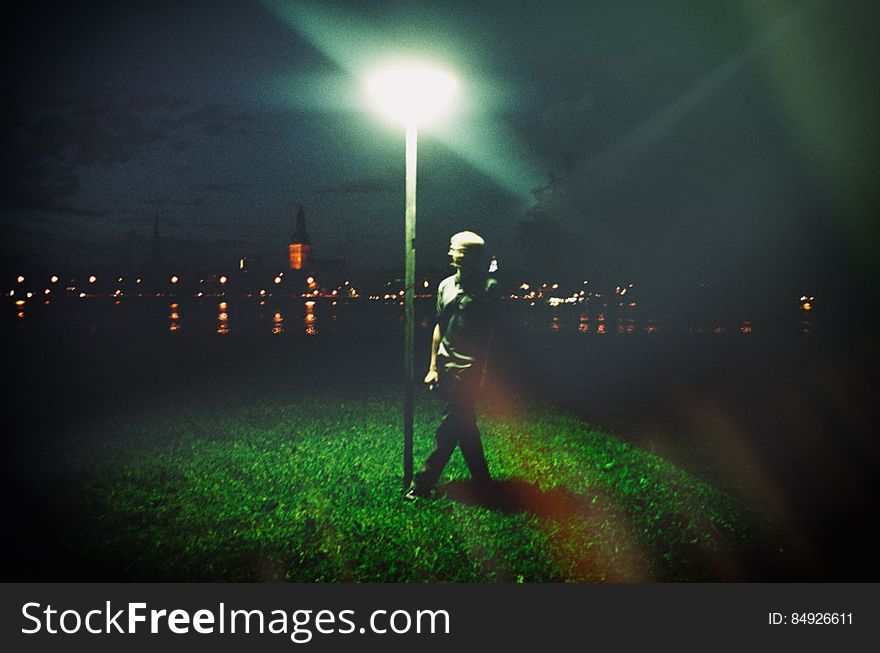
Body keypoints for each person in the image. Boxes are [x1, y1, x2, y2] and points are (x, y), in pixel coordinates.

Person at [405, 231, 498, 501]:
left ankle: (422, 484)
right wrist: (433, 367)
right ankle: (485, 484)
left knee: (449, 427)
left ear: (470, 255)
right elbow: (440, 326)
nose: (450, 254)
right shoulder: (445, 286)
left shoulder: (489, 287)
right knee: (465, 426)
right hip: (447, 366)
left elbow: (493, 334)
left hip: (471, 370)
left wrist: (486, 374)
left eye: (455, 249)